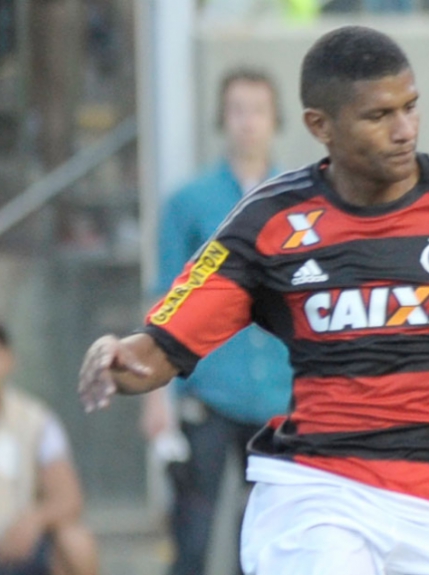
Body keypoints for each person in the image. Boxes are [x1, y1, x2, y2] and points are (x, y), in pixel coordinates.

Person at [79, 25, 429, 575]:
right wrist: (117, 357)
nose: (405, 130)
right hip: (322, 489)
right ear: (320, 125)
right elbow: (161, 349)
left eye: (410, 106)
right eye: (379, 115)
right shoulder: (268, 222)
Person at [140, 68, 293, 575]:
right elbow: (165, 294)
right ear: (222, 119)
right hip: (206, 387)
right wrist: (156, 396)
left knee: (263, 538)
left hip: (277, 393)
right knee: (193, 531)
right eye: (237, 110)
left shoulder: (297, 202)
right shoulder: (190, 202)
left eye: (258, 111)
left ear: (276, 121)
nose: (248, 123)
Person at [0, 308, 99, 575]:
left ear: (9, 360)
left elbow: (69, 498)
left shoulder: (35, 420)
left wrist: (34, 521)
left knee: (76, 541)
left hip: (18, 555)